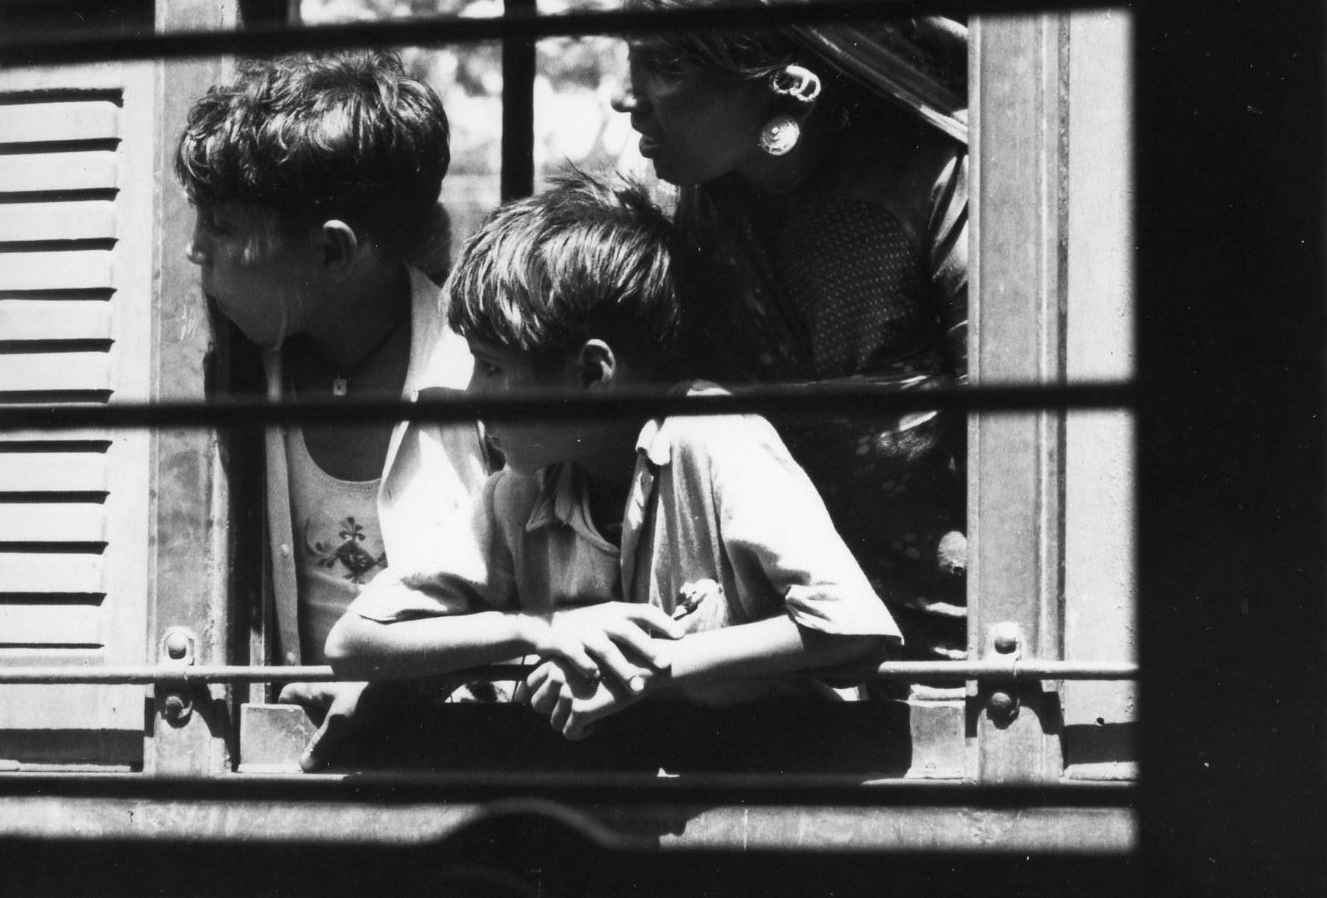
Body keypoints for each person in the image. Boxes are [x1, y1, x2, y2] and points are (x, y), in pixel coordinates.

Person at [325, 172, 901, 744]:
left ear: (594, 372)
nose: (471, 392)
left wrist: (645, 671)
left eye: (493, 367)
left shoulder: (714, 437)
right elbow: (352, 642)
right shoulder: (520, 492)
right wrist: (540, 632)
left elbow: (851, 626)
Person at [612, 0, 969, 660]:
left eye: (664, 63)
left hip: (945, 655)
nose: (623, 98)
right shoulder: (676, 203)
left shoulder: (943, 186)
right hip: (732, 650)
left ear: (788, 79)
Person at [177, 50, 492, 754]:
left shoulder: (487, 380)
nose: (194, 250)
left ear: (332, 252)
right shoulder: (239, 372)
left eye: (222, 228)